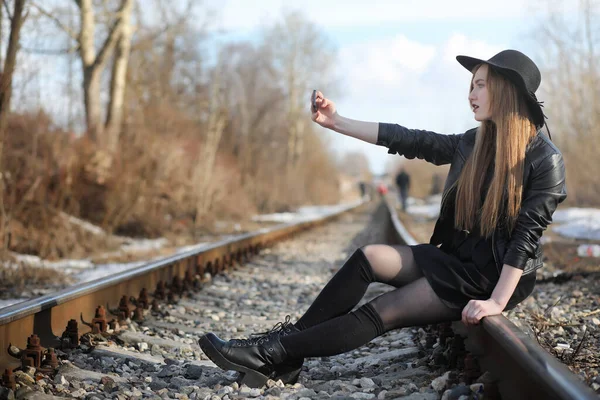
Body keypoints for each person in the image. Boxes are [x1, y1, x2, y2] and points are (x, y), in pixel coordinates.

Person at [198, 49, 567, 388]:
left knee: (385, 310)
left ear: (506, 90)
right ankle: (285, 348)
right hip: (459, 258)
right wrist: (337, 122)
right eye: (471, 86)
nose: (471, 94)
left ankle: (271, 354)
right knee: (368, 257)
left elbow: (525, 238)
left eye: (480, 85)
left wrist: (496, 302)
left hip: (493, 275)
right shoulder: (475, 142)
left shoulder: (544, 159)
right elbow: (412, 140)